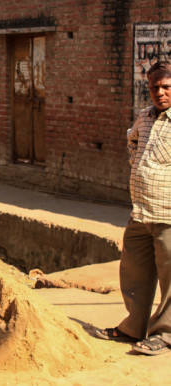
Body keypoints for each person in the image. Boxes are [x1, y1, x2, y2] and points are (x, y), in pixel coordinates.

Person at [96, 61, 171, 356]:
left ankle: (164, 335)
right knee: (134, 273)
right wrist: (138, 167)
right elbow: (133, 144)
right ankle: (133, 327)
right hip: (140, 211)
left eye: (166, 86)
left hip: (168, 213)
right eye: (154, 87)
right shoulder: (144, 117)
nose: (160, 92)